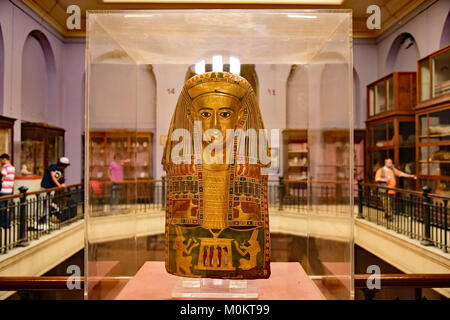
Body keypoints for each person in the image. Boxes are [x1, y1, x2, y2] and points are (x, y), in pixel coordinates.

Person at [39, 157, 70, 228]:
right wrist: (59, 186)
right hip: (45, 187)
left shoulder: (61, 170)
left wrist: (60, 185)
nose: (66, 167)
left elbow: (57, 179)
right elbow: (53, 177)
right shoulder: (53, 167)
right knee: (40, 204)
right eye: (65, 166)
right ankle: (37, 220)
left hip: (52, 189)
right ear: (62, 164)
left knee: (48, 204)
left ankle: (46, 220)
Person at [0, 154, 15, 229]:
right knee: (6, 207)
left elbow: (2, 178)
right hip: (9, 189)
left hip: (3, 189)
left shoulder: (5, 167)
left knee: (2, 207)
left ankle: (3, 223)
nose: (1, 161)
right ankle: (8, 223)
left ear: (4, 159)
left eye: (1, 160)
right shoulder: (12, 167)